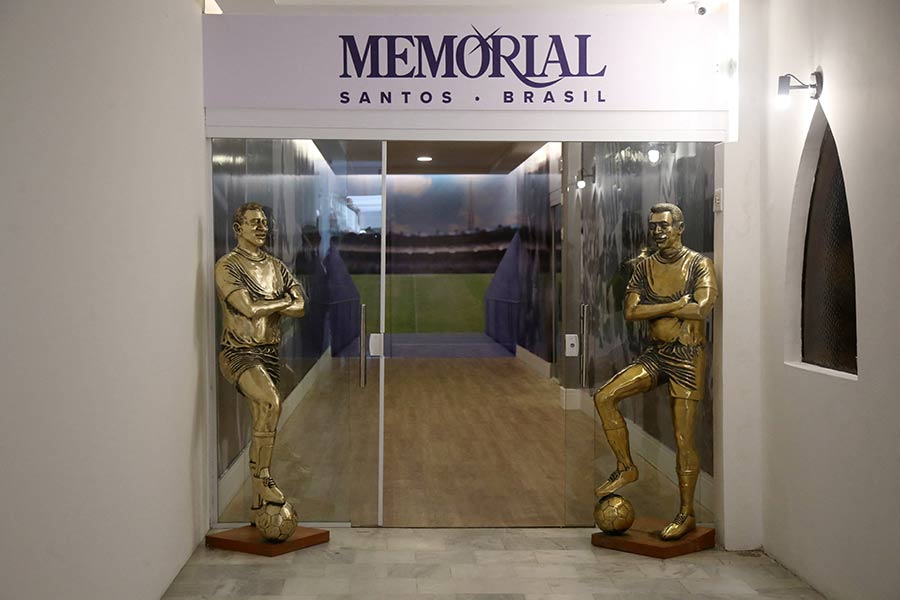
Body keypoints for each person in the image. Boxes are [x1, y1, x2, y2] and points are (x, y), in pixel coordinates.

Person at [593, 202, 717, 540]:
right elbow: (631, 312)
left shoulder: (698, 264)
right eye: (653, 227)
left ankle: (686, 512)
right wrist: (677, 305)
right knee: (605, 396)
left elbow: (702, 308)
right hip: (656, 354)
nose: (658, 232)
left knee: (683, 439)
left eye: (664, 225)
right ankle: (626, 467)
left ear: (680, 227)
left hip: (688, 358)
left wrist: (662, 309)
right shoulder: (644, 267)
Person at [215, 202, 306, 513]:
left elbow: (301, 306)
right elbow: (247, 309)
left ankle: (257, 500)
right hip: (239, 353)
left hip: (269, 353)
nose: (261, 227)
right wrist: (282, 301)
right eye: (254, 222)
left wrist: (272, 303)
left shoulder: (277, 267)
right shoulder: (227, 266)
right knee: (271, 403)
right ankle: (263, 477)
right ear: (238, 229)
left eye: (264, 222)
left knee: (264, 418)